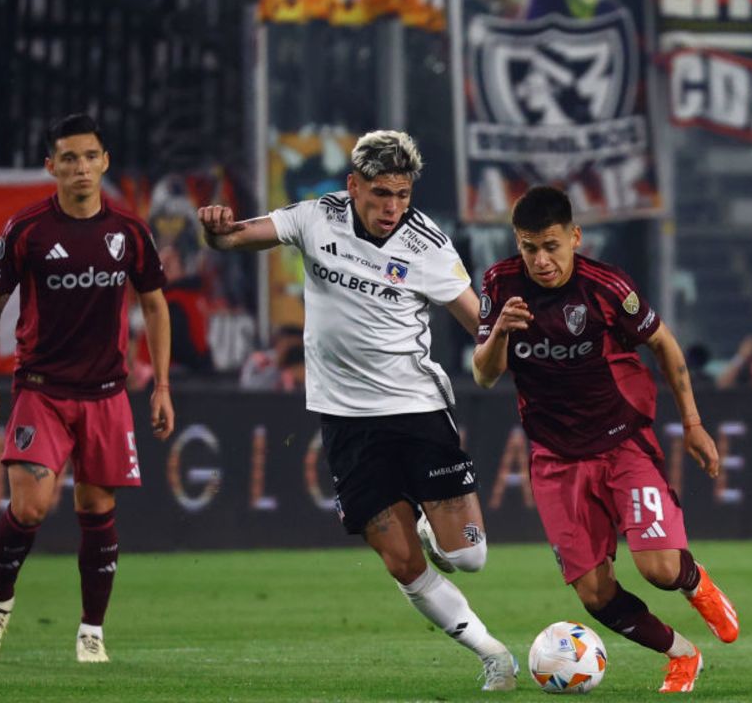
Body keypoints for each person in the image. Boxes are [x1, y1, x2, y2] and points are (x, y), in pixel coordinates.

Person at [197, 131, 517, 692]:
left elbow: (479, 325)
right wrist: (215, 229)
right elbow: (234, 240)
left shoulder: (429, 247)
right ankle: (492, 654)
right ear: (352, 186)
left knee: (468, 557)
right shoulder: (315, 218)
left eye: (401, 193)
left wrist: (509, 341)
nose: (392, 206)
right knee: (398, 561)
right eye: (379, 193)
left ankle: (432, 523)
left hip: (417, 410)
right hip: (345, 421)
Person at [473, 185, 739, 694]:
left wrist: (694, 423)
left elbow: (663, 343)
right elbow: (485, 375)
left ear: (575, 237)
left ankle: (693, 581)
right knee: (595, 594)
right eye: (529, 248)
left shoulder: (607, 287)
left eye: (551, 246)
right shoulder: (499, 284)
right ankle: (682, 654)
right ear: (517, 243)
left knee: (658, 568)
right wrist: (499, 333)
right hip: (554, 458)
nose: (541, 260)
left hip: (622, 444)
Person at [0, 113, 175, 663]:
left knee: (96, 506)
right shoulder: (28, 230)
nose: (80, 168)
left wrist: (161, 386)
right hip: (41, 389)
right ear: (51, 167)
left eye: (90, 157)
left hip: (106, 392)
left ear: (105, 162)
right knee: (31, 507)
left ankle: (91, 633)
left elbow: (154, 304)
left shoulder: (129, 232)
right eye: (69, 158)